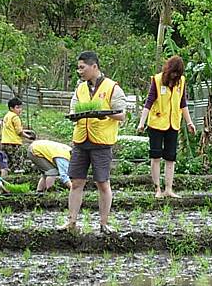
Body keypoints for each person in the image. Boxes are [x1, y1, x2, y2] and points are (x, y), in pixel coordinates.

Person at [62, 51, 126, 234]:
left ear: (94, 67)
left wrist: (104, 113)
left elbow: (121, 114)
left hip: (101, 142)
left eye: (82, 67)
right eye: (78, 68)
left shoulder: (112, 88)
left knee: (102, 183)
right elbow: (74, 111)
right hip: (81, 140)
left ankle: (104, 223)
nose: (79, 71)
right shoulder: (80, 89)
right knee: (76, 182)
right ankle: (71, 222)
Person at [136, 55, 196, 198]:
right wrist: (141, 123)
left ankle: (168, 189)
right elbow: (149, 102)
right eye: (174, 72)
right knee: (155, 156)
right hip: (156, 123)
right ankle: (157, 189)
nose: (175, 76)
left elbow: (183, 103)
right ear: (168, 70)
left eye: (178, 73)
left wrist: (189, 122)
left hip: (173, 124)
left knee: (171, 158)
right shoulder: (157, 80)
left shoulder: (181, 82)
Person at [1, 97, 27, 170]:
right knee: (17, 164)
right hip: (14, 143)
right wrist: (28, 136)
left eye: (20, 108)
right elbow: (19, 132)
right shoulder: (15, 117)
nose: (20, 110)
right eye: (17, 108)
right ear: (11, 108)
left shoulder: (6, 116)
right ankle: (18, 178)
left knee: (7, 163)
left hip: (4, 142)